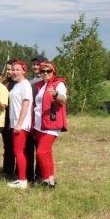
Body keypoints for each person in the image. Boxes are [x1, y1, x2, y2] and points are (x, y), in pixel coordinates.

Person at [31, 61, 68, 189]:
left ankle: (46, 180)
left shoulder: (58, 84)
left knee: (41, 152)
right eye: (43, 71)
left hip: (51, 123)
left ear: (53, 72)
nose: (45, 73)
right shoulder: (40, 85)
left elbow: (63, 99)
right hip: (39, 125)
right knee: (47, 153)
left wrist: (56, 94)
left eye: (48, 71)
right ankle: (51, 179)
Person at [5, 60, 33, 188]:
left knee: (18, 151)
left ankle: (22, 180)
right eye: (13, 70)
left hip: (20, 124)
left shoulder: (25, 85)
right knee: (17, 151)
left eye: (18, 70)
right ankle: (21, 178)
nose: (15, 72)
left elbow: (25, 106)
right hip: (14, 123)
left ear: (24, 71)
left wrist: (19, 124)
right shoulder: (16, 85)